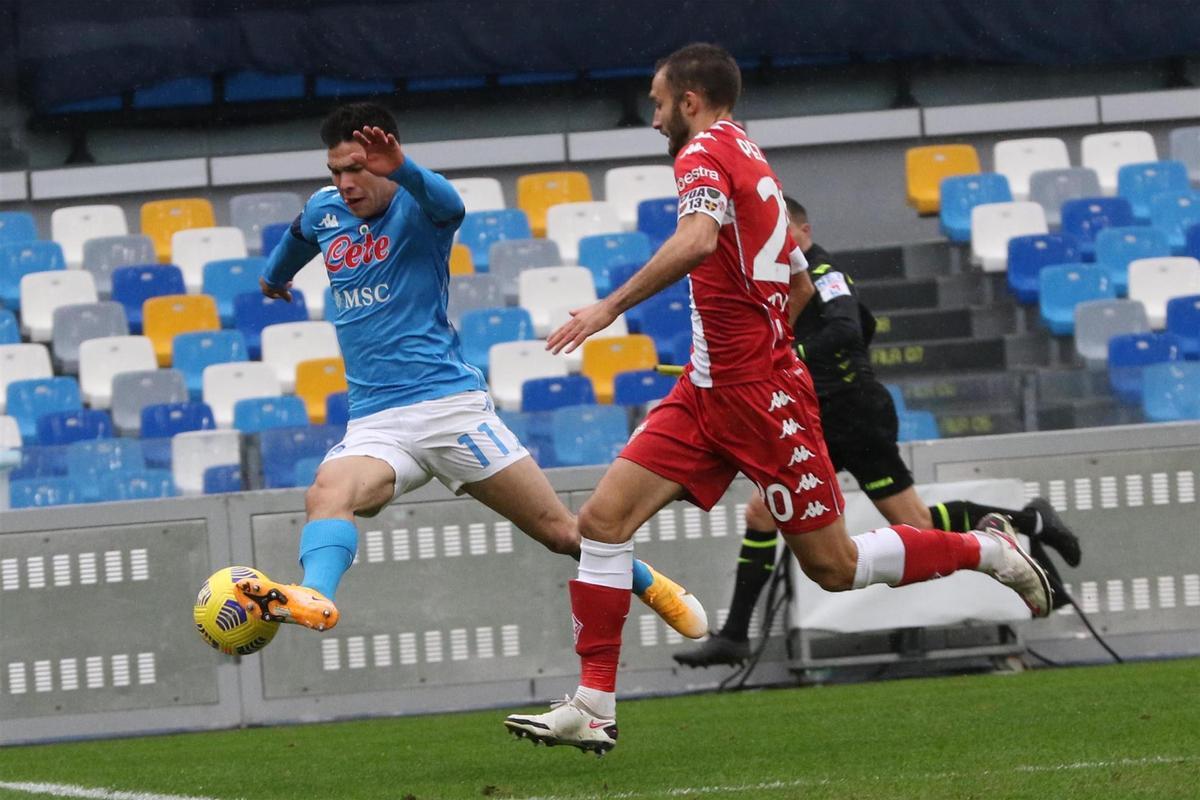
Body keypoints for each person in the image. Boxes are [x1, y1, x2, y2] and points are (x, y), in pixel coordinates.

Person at [502, 44, 1051, 755]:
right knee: (603, 523)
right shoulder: (753, 160)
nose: (654, 116)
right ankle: (595, 704)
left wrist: (609, 307)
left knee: (834, 565)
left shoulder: (700, 156)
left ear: (690, 102)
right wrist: (751, 347)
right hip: (707, 391)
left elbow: (697, 240)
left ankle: (987, 549)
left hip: (761, 399)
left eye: (658, 101)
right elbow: (795, 282)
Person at [232, 102, 707, 644]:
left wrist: (402, 167)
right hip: (376, 422)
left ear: (387, 160)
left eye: (357, 169)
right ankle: (316, 597)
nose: (344, 183)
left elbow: (449, 202)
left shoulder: (418, 207)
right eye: (335, 171)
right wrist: (274, 278)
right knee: (325, 492)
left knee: (561, 534)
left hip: (448, 409)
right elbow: (300, 231)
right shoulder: (326, 209)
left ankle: (649, 582)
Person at [673, 199, 1081, 667]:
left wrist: (785, 356)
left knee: (914, 523)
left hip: (853, 416)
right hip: (822, 416)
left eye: (781, 227)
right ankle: (735, 634)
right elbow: (861, 327)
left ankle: (1027, 524)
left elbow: (849, 329)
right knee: (764, 513)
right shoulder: (780, 281)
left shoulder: (824, 272)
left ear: (803, 230)